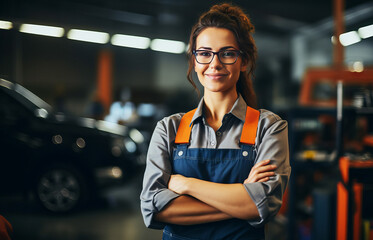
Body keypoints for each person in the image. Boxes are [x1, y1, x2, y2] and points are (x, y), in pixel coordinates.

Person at [140, 3, 291, 240]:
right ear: (194, 60)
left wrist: (187, 185)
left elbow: (264, 205)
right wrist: (242, 197)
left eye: (228, 53)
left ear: (243, 61)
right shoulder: (169, 129)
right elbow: (152, 208)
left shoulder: (269, 127)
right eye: (205, 53)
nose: (215, 63)